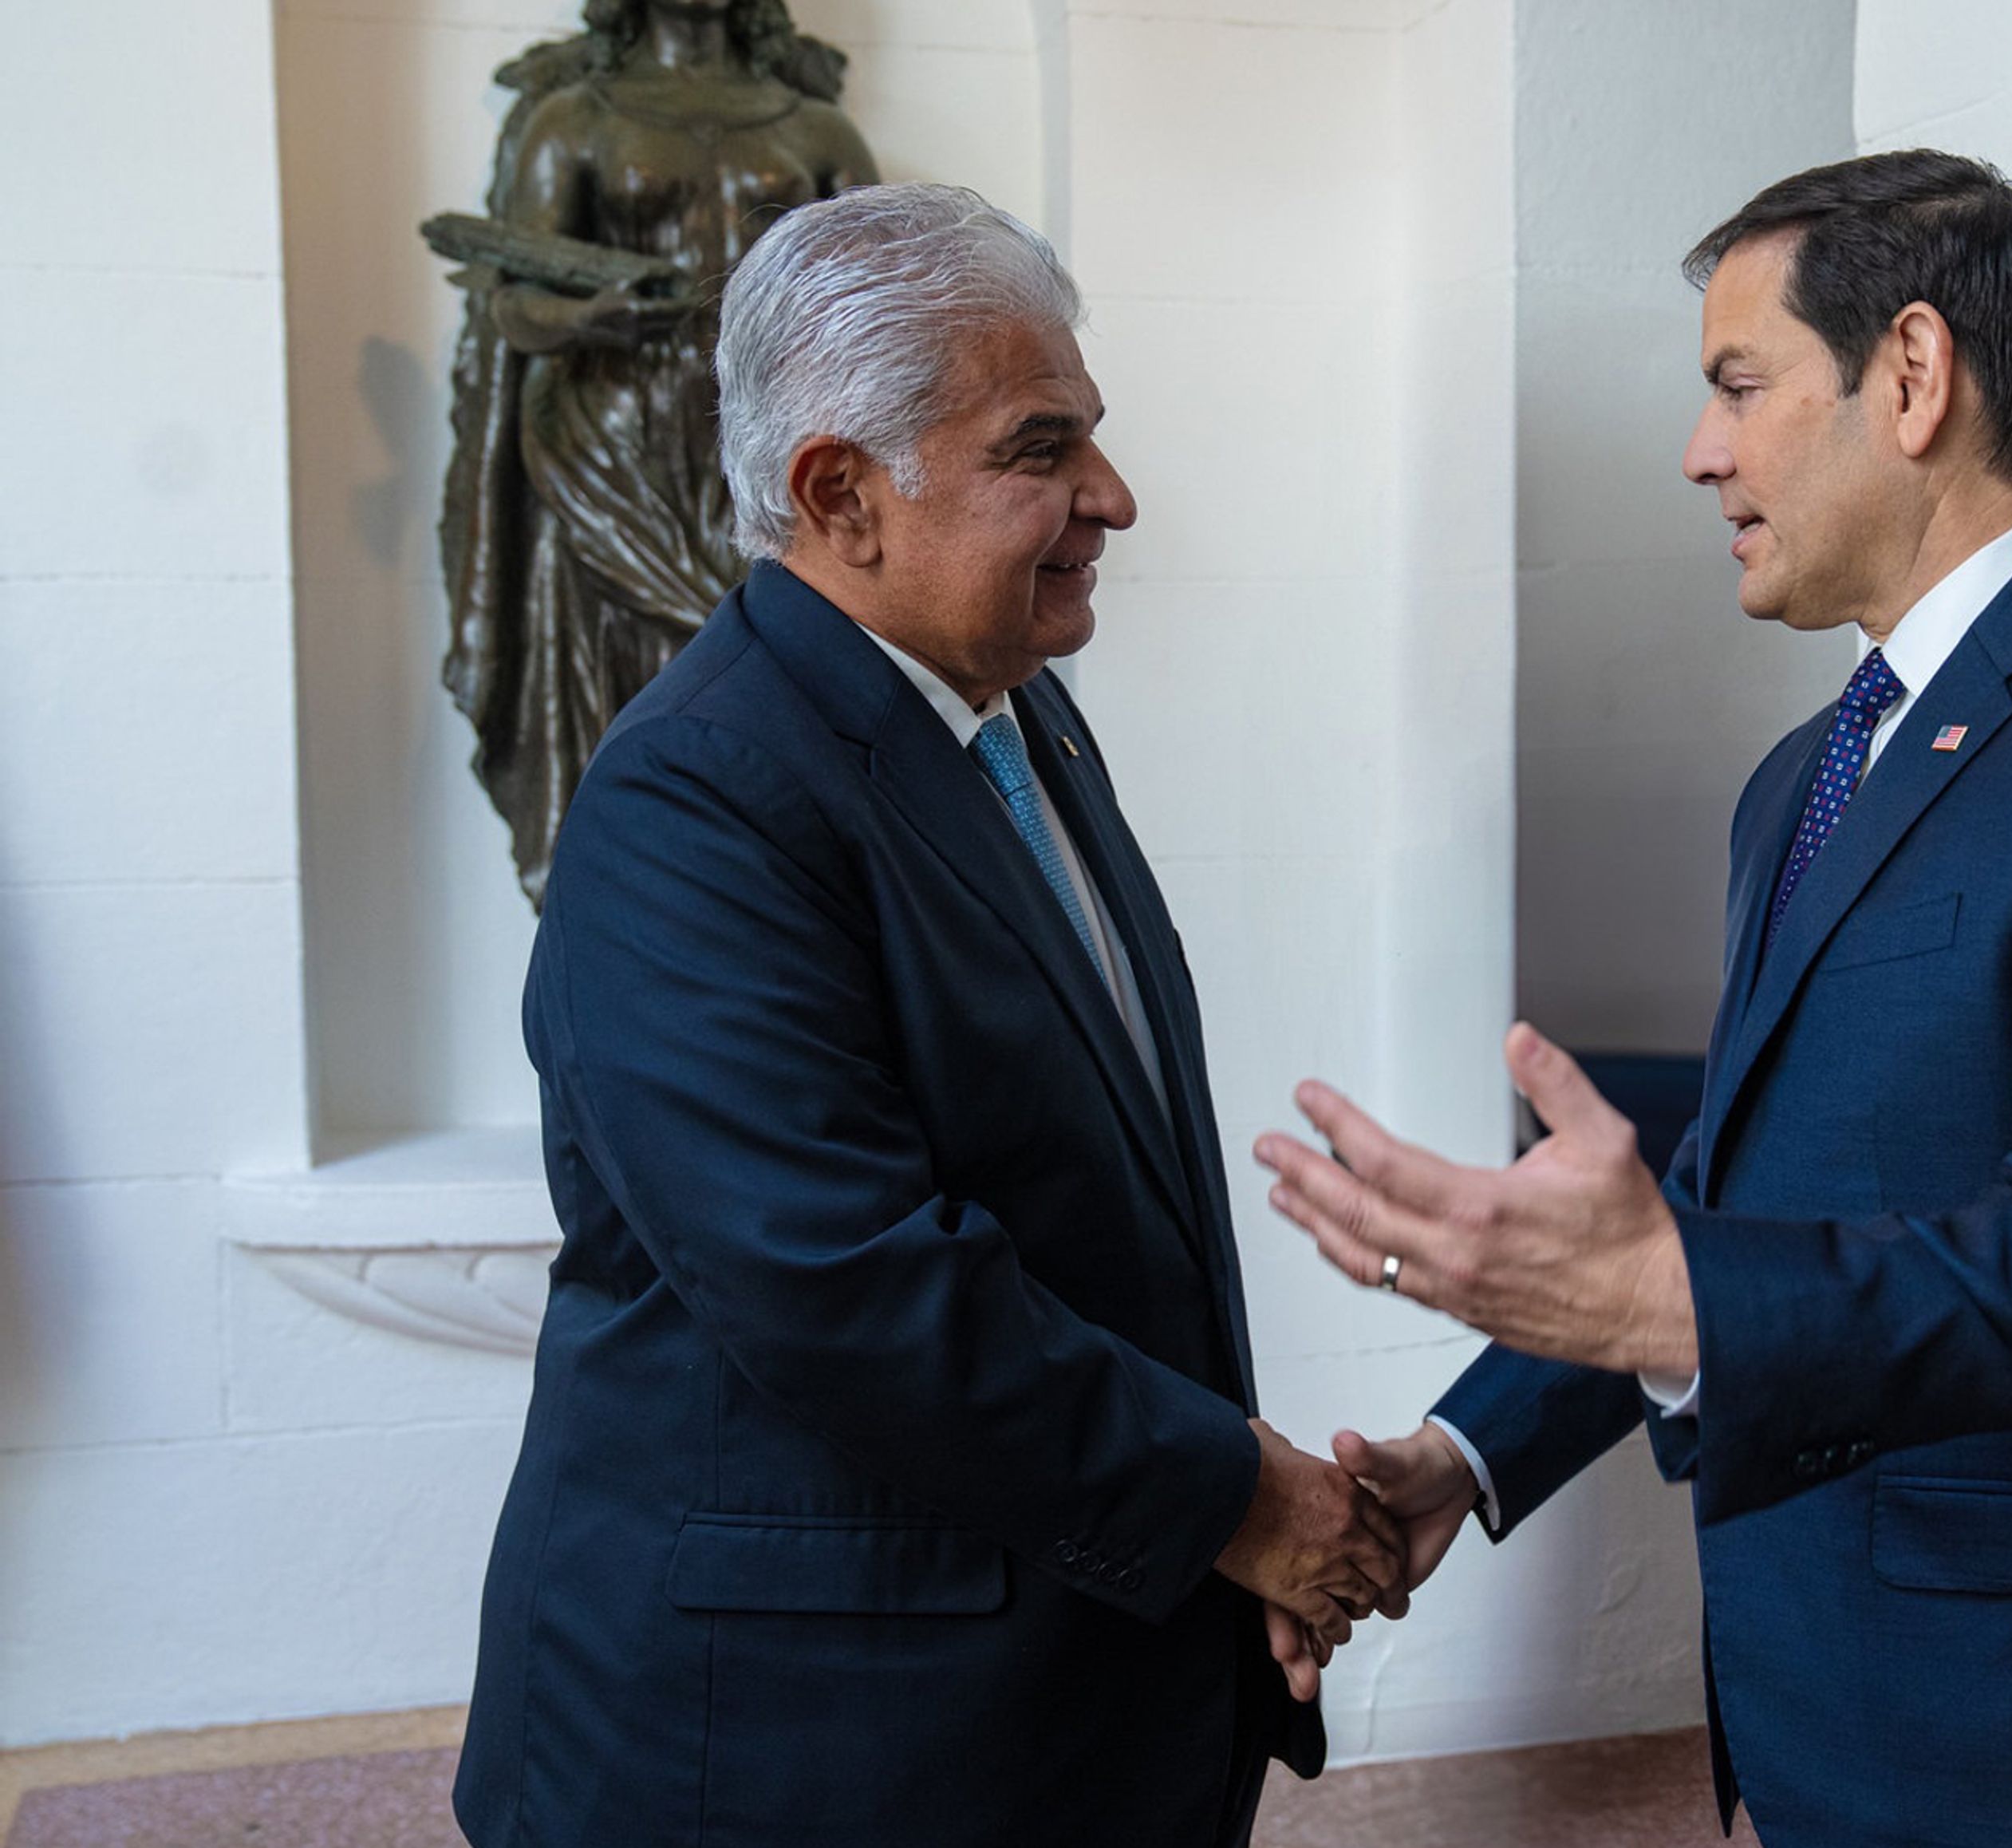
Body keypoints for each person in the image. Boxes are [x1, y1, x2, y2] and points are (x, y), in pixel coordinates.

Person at [1257, 151, 2012, 1847]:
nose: (1701, 449)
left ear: (1909, 376)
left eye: (1738, 385)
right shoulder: (1801, 776)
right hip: (1820, 1697)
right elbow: (1739, 1190)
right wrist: (1463, 1457)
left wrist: (1671, 1305)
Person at [452, 182, 1401, 1848]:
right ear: (842, 495)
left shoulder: (1016, 717)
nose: (1112, 496)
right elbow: (842, 1281)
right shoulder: (697, 795)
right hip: (800, 1745)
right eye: (1041, 449)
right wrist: (1233, 1499)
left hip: (1032, 1690)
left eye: (1089, 434)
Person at [439, 0, 878, 903]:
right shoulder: (575, 120)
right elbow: (512, 306)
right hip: (609, 459)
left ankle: (770, 917)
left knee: (781, 702)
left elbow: (877, 304)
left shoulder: (816, 130)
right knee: (625, 711)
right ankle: (626, 921)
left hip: (773, 457)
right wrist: (590, 319)